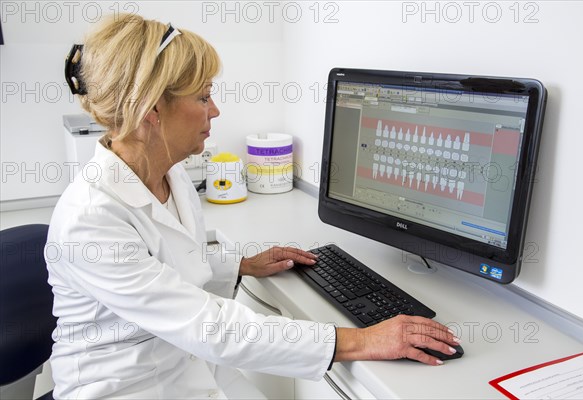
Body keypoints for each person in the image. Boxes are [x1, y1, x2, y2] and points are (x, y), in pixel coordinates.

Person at [47, 14, 461, 399]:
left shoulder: (168, 174)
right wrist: (364, 339)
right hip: (126, 384)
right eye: (203, 96)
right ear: (152, 108)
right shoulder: (92, 218)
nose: (215, 110)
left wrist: (238, 264)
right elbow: (210, 328)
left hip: (183, 365)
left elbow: (169, 263)